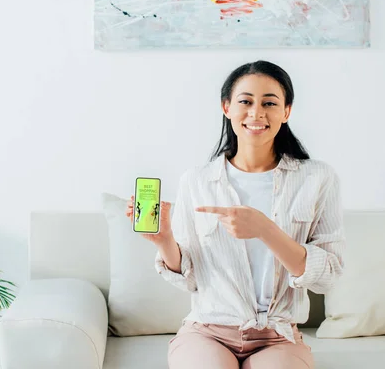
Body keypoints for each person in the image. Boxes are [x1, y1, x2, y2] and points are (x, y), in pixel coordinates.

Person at [126, 60, 345, 369]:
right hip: (207, 332)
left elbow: (328, 276)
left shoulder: (317, 179)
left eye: (269, 102)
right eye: (245, 101)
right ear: (226, 107)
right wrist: (164, 241)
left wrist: (265, 229)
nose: (256, 113)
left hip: (278, 336)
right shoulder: (198, 180)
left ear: (287, 111)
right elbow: (190, 279)